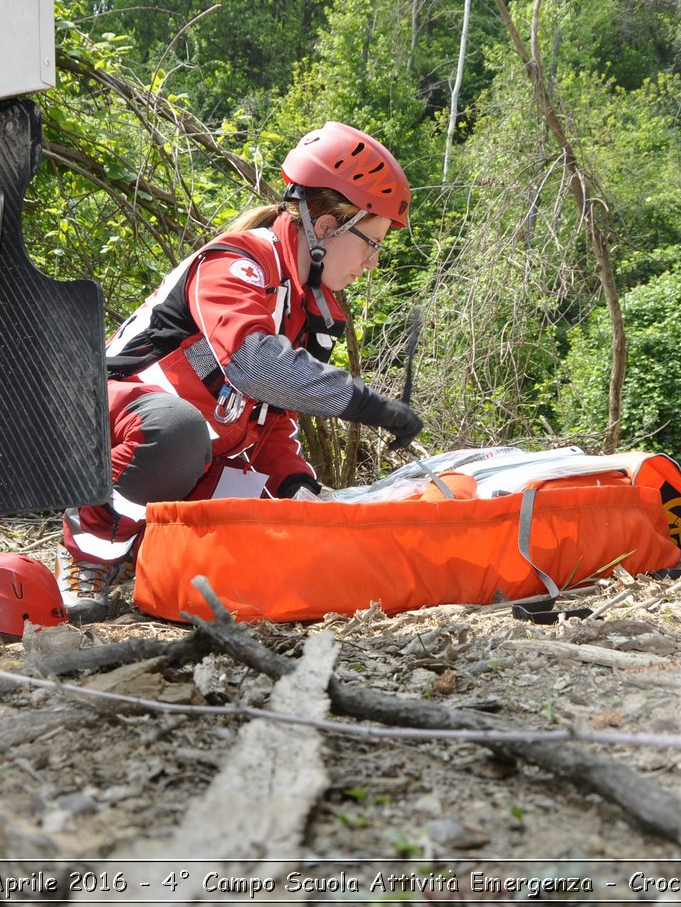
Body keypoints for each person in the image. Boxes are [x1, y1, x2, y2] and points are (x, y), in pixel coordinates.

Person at [59, 122, 424, 622]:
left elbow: (272, 418)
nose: (373, 263)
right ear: (326, 228)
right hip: (114, 422)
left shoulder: (302, 304)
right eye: (372, 243)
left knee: (272, 520)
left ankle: (144, 554)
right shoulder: (237, 264)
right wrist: (370, 405)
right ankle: (89, 551)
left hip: (197, 451)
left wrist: (296, 485)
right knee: (176, 433)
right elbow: (256, 367)